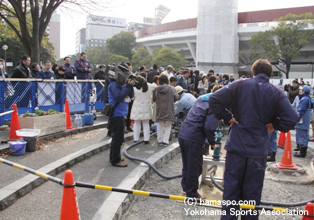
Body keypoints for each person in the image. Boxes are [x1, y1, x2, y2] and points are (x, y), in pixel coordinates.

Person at [208, 59, 299, 219]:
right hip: (257, 150)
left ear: (253, 71)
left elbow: (214, 99)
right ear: (270, 74)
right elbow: (292, 118)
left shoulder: (239, 85)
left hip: (237, 146)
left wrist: (228, 116)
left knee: (231, 193)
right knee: (252, 196)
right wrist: (274, 124)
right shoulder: (276, 92)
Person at [178, 86, 224, 199]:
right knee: (195, 166)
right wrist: (213, 143)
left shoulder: (202, 98)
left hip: (184, 134)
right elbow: (209, 127)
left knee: (187, 164)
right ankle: (192, 193)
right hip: (194, 137)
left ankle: (186, 187)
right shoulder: (215, 104)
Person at [108, 62, 135, 167]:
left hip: (121, 113)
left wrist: (130, 85)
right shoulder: (114, 84)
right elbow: (119, 97)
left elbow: (131, 95)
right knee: (118, 138)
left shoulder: (120, 84)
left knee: (118, 138)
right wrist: (127, 86)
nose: (125, 74)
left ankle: (116, 156)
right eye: (124, 72)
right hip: (116, 114)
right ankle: (115, 160)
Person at [153, 74, 178, 147]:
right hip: (169, 108)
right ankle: (165, 141)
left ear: (159, 80)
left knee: (160, 125)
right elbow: (176, 98)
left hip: (159, 109)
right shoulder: (172, 88)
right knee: (168, 125)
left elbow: (154, 99)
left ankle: (159, 140)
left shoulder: (156, 89)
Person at [130, 76, 153, 144]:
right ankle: (146, 139)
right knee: (146, 123)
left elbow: (132, 98)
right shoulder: (150, 86)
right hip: (146, 106)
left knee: (137, 123)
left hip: (137, 106)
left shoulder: (134, 88)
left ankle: (136, 139)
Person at [294, 86, 314, 157]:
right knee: (305, 135)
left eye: (301, 90)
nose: (300, 91)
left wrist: (296, 119)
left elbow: (300, 111)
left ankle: (302, 152)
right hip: (306, 121)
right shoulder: (309, 99)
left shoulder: (304, 99)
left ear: (304, 91)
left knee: (301, 136)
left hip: (301, 122)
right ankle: (303, 151)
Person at [125, 62, 134, 133]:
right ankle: (125, 126)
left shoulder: (132, 75)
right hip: (124, 96)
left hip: (130, 96)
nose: (129, 69)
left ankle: (128, 126)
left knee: (129, 112)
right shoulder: (123, 76)